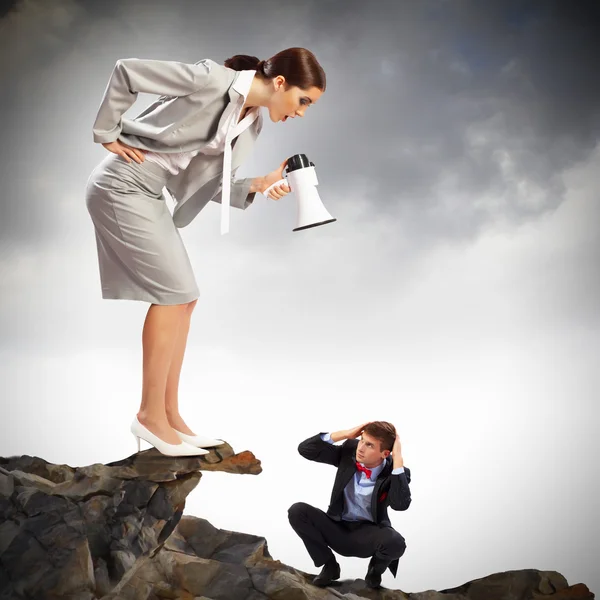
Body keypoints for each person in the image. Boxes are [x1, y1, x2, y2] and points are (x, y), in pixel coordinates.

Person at [85, 48, 326, 457]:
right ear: (281, 83)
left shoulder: (250, 125)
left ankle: (170, 416)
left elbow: (207, 182)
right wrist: (107, 132)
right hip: (121, 185)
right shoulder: (210, 80)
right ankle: (148, 417)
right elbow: (128, 70)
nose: (302, 112)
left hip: (148, 193)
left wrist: (261, 183)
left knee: (186, 300)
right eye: (304, 101)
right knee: (173, 296)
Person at [288, 422, 411, 589]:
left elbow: (400, 505)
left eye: (369, 445)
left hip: (367, 536)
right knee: (297, 511)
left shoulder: (396, 471)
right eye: (362, 440)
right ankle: (330, 566)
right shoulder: (349, 452)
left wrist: (397, 460)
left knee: (396, 542)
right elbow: (306, 450)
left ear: (385, 453)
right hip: (337, 528)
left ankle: (375, 570)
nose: (361, 448)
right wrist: (345, 434)